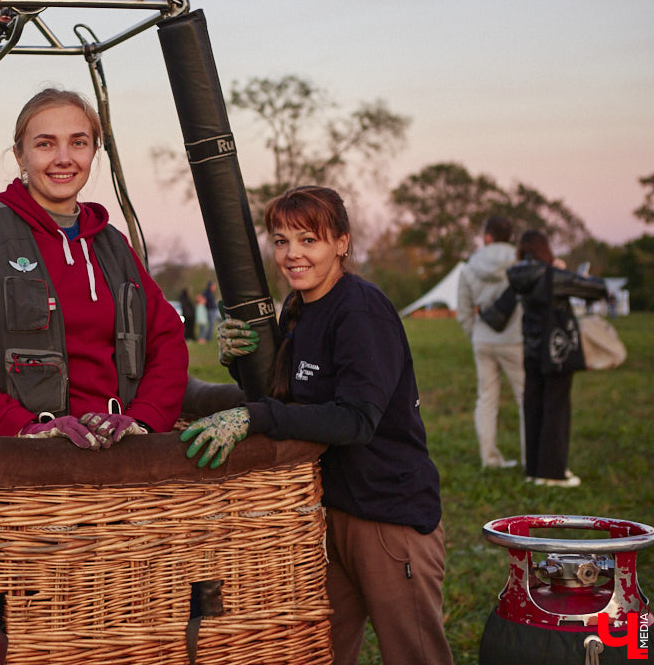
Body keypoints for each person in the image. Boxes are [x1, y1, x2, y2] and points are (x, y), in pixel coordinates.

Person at [181, 185, 452, 665]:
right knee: (320, 651)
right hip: (328, 512)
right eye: (281, 241)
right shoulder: (297, 309)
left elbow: (355, 419)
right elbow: (293, 398)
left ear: (342, 242)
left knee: (414, 654)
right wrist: (236, 364)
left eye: (309, 240)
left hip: (388, 514)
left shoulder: (360, 310)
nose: (292, 254)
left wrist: (253, 416)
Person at [0, 88, 188, 448]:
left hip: (113, 457)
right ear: (20, 155)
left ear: (94, 151)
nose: (64, 158)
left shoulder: (112, 244)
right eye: (45, 144)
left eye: (78, 143)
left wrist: (143, 419)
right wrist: (23, 427)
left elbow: (167, 340)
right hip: (11, 458)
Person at [507, 230, 607, 488]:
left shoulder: (518, 275)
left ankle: (534, 468)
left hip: (531, 350)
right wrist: (565, 271)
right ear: (544, 249)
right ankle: (552, 473)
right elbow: (597, 288)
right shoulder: (553, 275)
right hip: (557, 351)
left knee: (534, 408)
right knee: (556, 410)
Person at [455, 216, 525, 469]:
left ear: (487, 237)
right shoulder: (520, 261)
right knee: (525, 399)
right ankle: (531, 459)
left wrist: (474, 333)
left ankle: (490, 459)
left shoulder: (470, 266)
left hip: (483, 339)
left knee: (486, 399)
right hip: (515, 338)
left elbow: (463, 309)